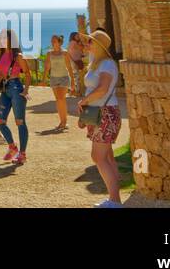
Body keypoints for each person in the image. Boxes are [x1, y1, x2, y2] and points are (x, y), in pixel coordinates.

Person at [76, 29, 122, 207]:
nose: (87, 44)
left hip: (105, 114)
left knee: (98, 157)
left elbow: (103, 89)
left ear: (100, 46)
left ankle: (115, 201)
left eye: (90, 42)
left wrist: (84, 101)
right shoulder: (97, 63)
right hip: (100, 114)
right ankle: (114, 198)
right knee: (108, 157)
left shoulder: (107, 65)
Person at [0, 34, 31, 164]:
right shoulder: (2, 55)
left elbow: (27, 73)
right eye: (1, 39)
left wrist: (25, 91)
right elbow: (0, 73)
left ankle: (23, 154)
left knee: (20, 122)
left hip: (16, 88)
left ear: (11, 40)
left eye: (5, 38)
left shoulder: (18, 56)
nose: (2, 41)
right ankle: (12, 147)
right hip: (5, 89)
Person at [46, 34, 73, 130]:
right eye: (52, 41)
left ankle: (63, 122)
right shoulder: (49, 54)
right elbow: (47, 67)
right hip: (54, 78)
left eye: (54, 41)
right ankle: (63, 121)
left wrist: (73, 82)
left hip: (64, 78)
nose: (52, 43)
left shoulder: (65, 53)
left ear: (59, 42)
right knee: (58, 100)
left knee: (61, 98)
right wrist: (44, 79)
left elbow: (69, 67)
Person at [67, 32, 86, 96]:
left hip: (76, 61)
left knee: (76, 76)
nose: (78, 37)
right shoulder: (73, 42)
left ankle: (74, 91)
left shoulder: (74, 43)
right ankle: (76, 91)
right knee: (76, 76)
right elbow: (69, 52)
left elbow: (80, 51)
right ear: (73, 36)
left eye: (78, 36)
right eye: (77, 36)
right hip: (74, 61)